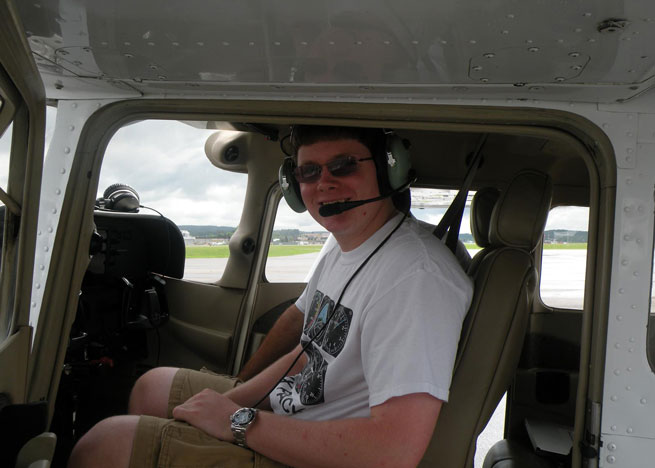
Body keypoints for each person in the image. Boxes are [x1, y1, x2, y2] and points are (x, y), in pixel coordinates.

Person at [68, 125, 473, 468]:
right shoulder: (342, 246)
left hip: (322, 449)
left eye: (344, 165)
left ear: (387, 172)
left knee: (103, 445)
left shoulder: (415, 279)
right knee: (150, 386)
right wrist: (232, 396)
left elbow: (393, 450)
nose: (323, 184)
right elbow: (306, 352)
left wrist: (236, 420)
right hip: (291, 412)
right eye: (308, 172)